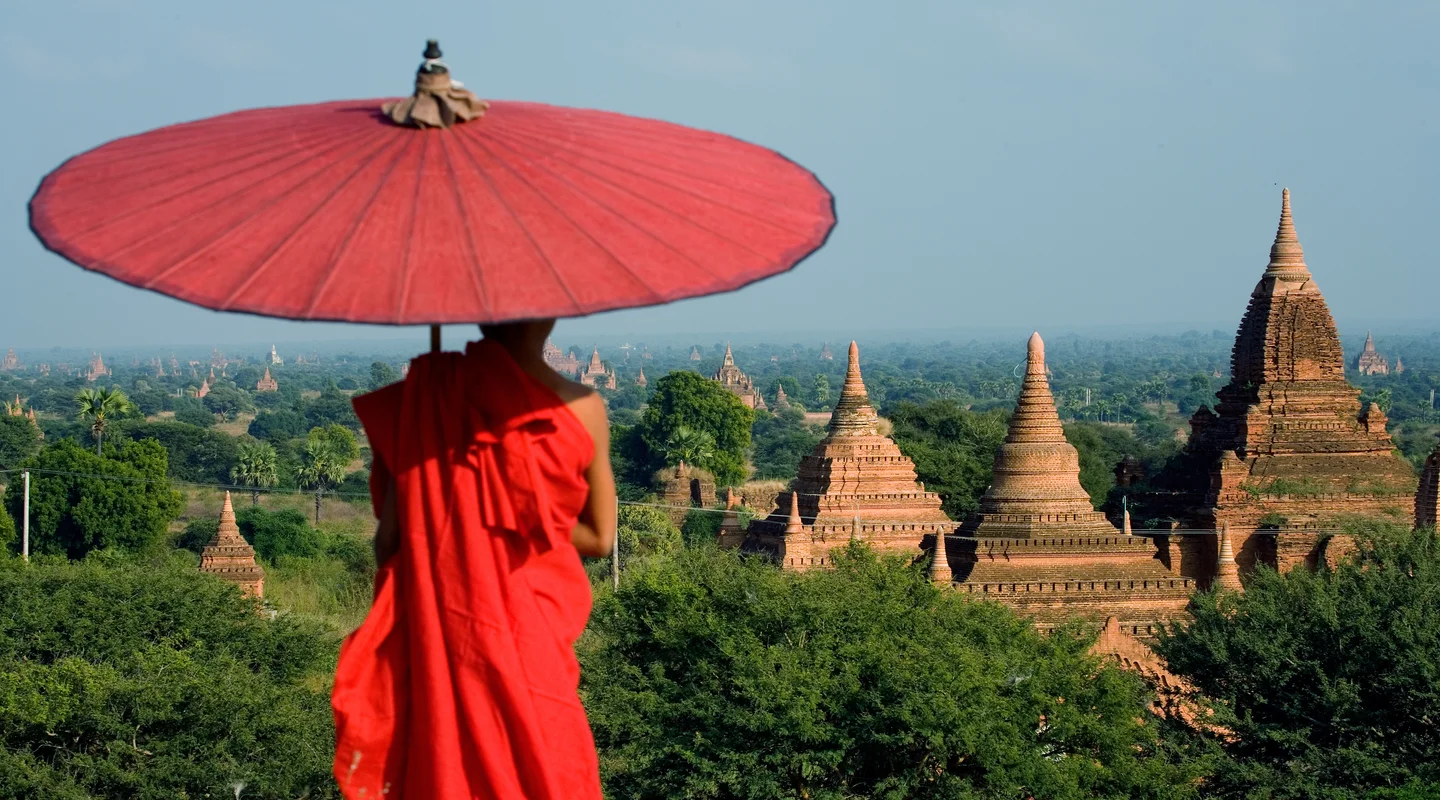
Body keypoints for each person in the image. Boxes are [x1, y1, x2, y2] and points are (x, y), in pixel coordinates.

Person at [331, 319, 616, 799]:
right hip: (533, 639)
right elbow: (600, 537)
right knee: (547, 766)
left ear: (481, 317)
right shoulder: (581, 406)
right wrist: (520, 506)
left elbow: (389, 544)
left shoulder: (425, 399)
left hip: (444, 631)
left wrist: (452, 497)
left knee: (443, 763)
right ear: (551, 316)